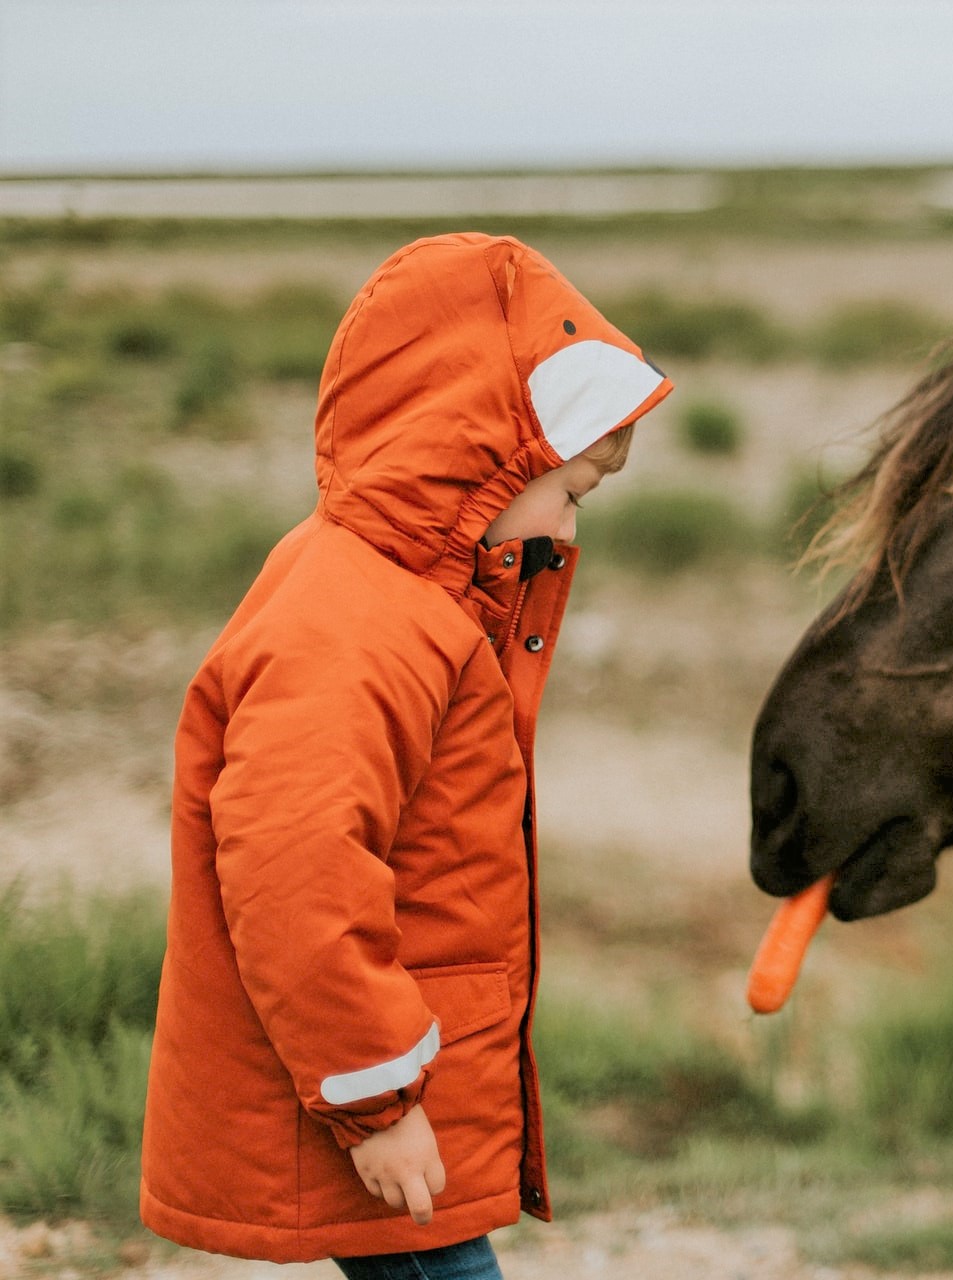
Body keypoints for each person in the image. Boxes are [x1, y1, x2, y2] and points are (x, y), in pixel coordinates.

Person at [138, 233, 672, 1278]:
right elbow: (296, 869)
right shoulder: (356, 624)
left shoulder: (412, 602)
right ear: (479, 453)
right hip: (363, 1088)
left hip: (386, 1073)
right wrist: (375, 1099)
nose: (570, 526)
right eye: (571, 489)